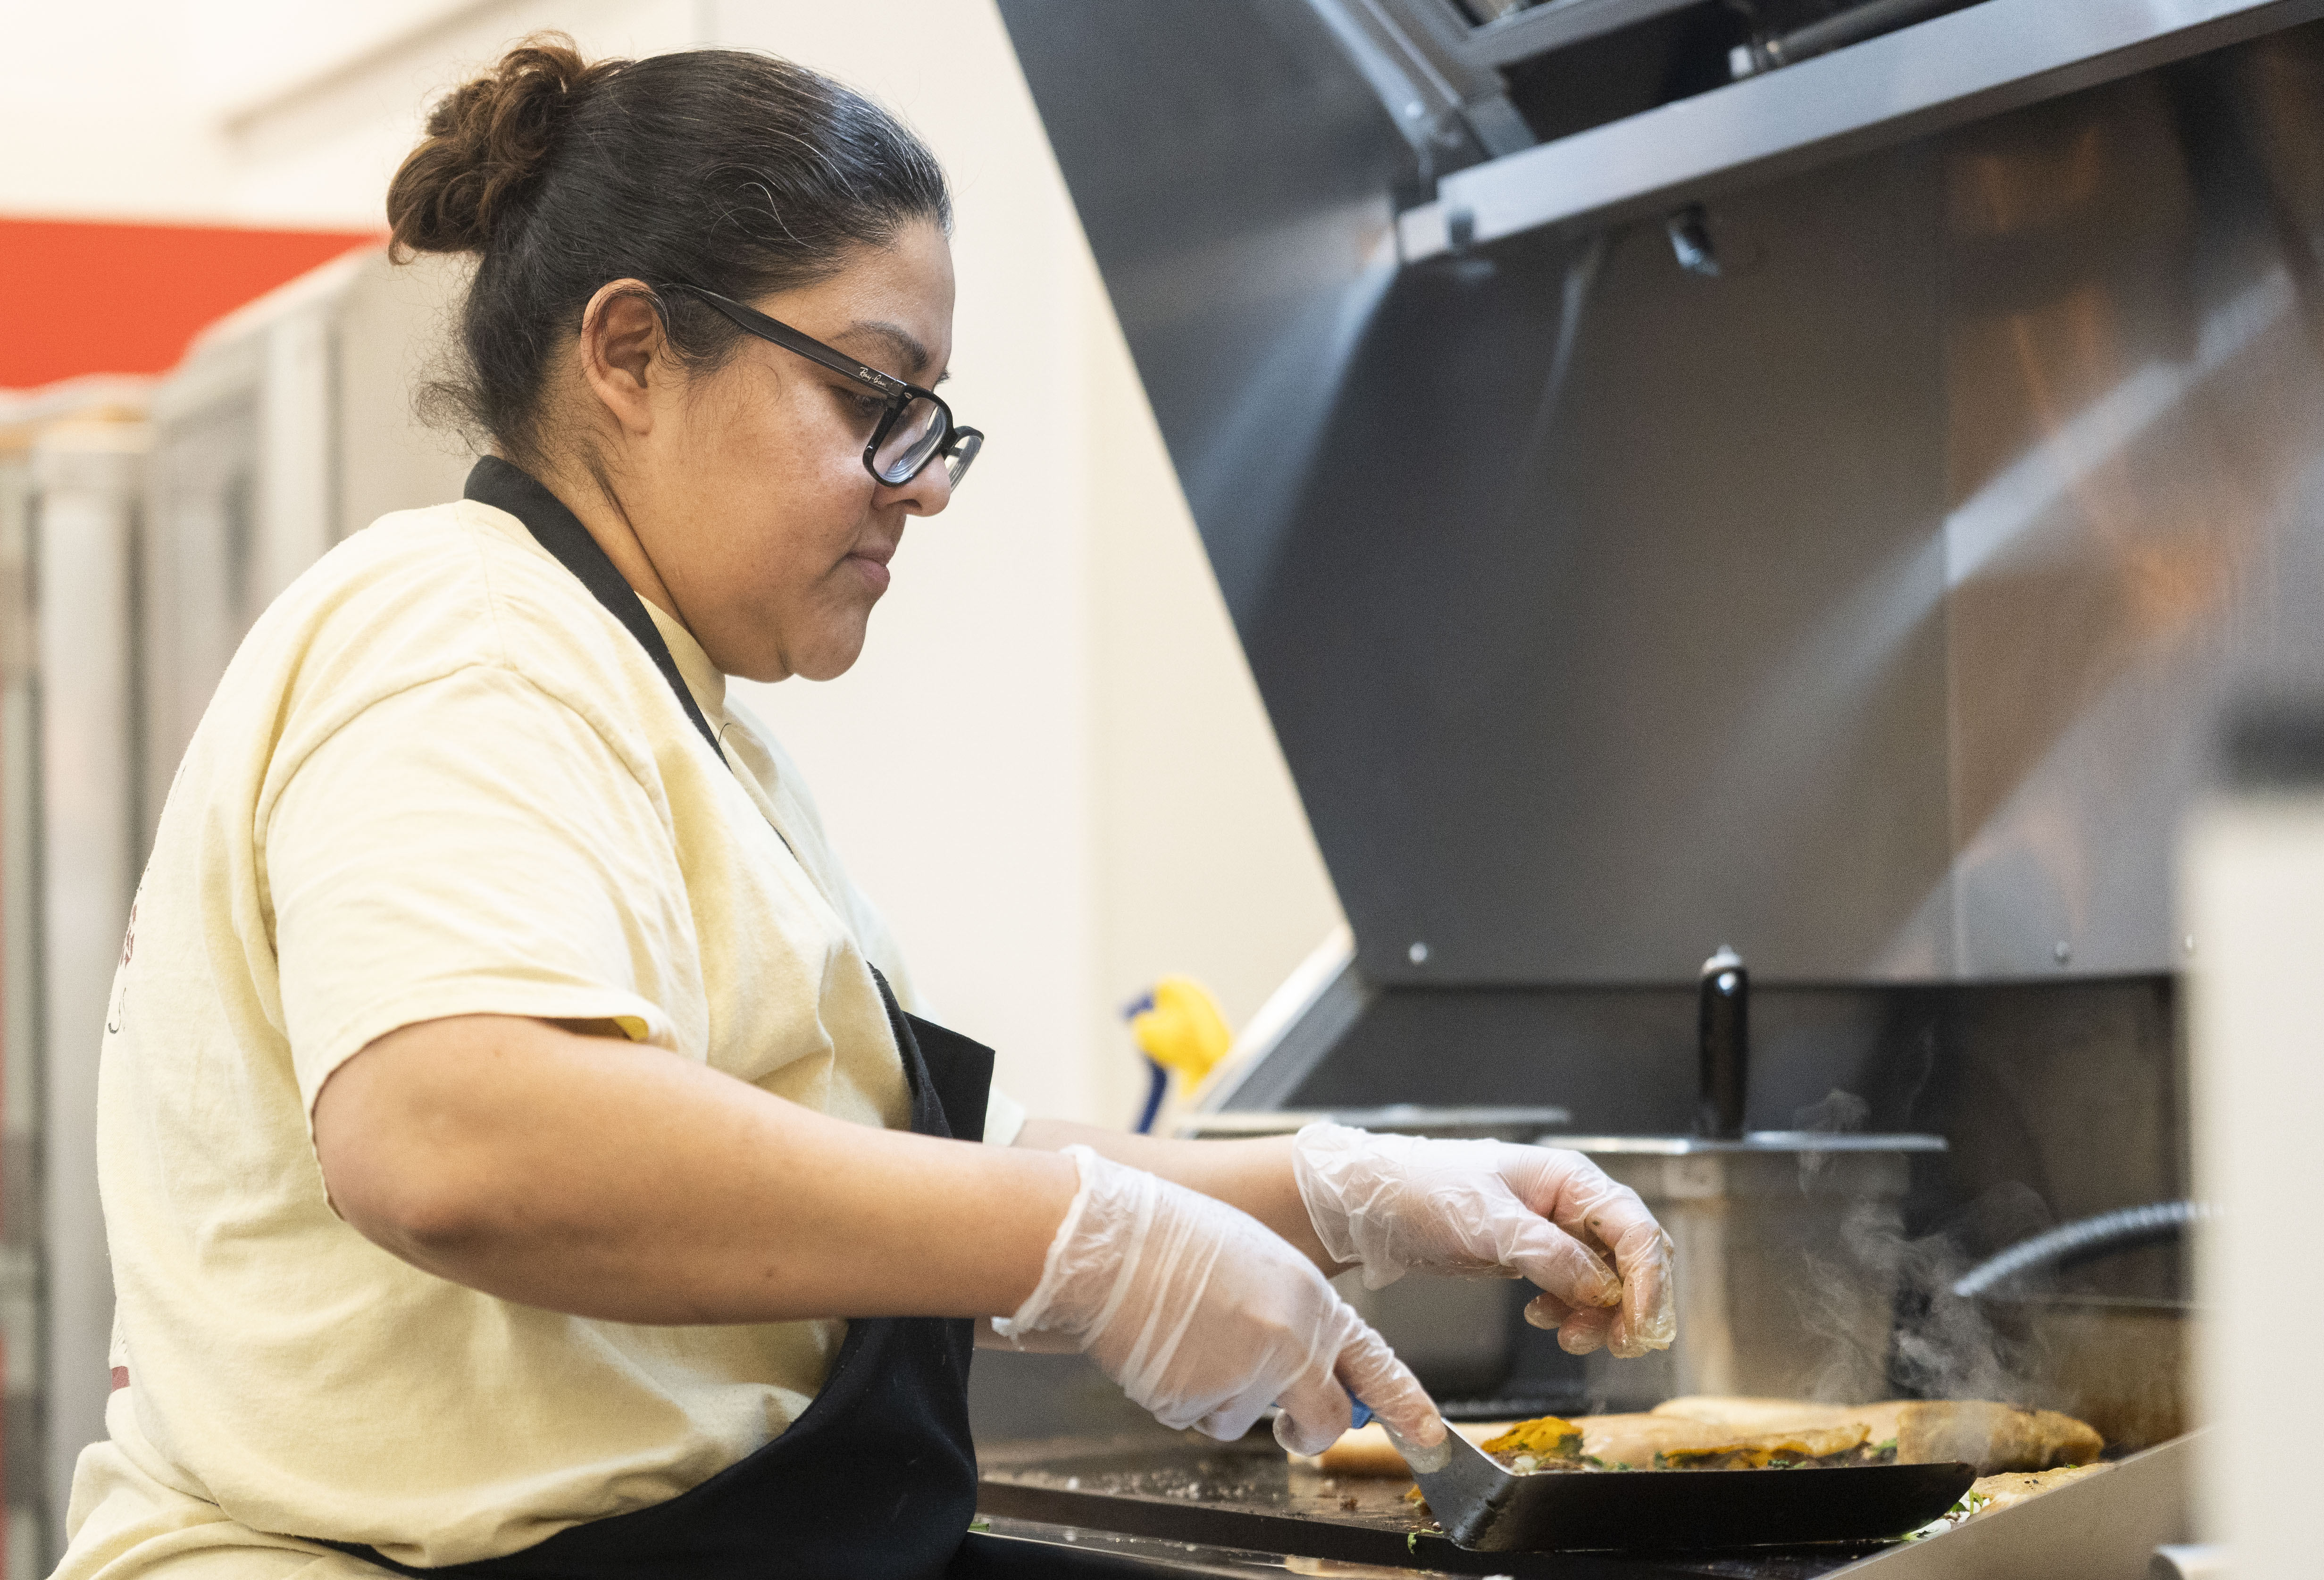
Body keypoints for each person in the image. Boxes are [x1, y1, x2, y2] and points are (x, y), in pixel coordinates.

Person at [54, 38, 1674, 1580]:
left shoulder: (684, 724)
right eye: (874, 397)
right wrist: (1087, 1241)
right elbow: (456, 1140)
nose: (930, 482)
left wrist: (1344, 1193)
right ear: (630, 352)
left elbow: (892, 1159)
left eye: (934, 418)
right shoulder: (459, 635)